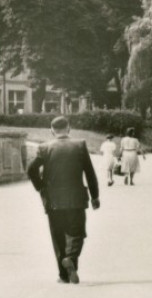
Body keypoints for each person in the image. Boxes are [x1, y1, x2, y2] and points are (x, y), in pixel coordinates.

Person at [27, 116, 100, 284]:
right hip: (76, 198)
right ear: (69, 128)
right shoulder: (80, 145)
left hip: (53, 200)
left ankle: (63, 275)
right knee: (77, 232)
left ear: (52, 130)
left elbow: (31, 169)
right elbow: (90, 173)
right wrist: (95, 197)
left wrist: (41, 187)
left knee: (58, 236)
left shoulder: (44, 147)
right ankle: (71, 258)